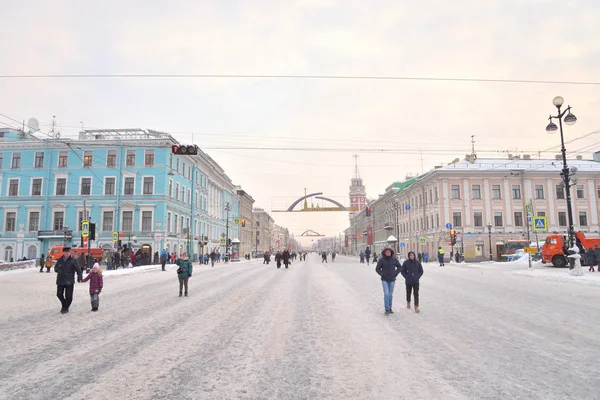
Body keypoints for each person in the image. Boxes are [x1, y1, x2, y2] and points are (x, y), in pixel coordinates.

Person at [54, 247, 82, 314]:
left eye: (68, 252)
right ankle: (64, 305)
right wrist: (58, 269)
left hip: (69, 280)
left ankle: (65, 308)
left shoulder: (73, 260)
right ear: (63, 252)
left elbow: (78, 270)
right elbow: (55, 269)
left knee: (69, 296)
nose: (67, 253)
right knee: (59, 294)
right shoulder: (60, 260)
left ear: (70, 253)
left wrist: (79, 277)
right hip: (60, 280)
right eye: (65, 252)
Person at [375, 247, 402, 315]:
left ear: (391, 253)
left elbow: (399, 267)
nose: (388, 253)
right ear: (384, 253)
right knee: (386, 293)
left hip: (392, 279)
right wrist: (382, 274)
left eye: (389, 252)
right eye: (386, 252)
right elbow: (377, 269)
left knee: (390, 295)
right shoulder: (381, 260)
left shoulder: (394, 259)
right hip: (384, 279)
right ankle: (387, 309)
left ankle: (390, 308)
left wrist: (395, 274)